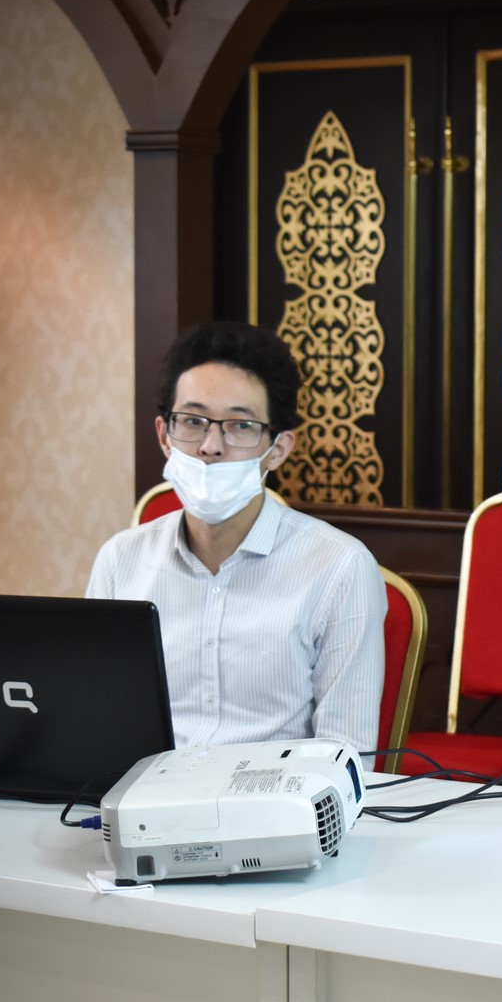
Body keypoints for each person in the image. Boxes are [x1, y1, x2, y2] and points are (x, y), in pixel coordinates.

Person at [88, 321, 385, 752]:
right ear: (164, 436)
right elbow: (98, 718)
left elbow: (346, 753)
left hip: (272, 792)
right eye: (193, 421)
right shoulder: (120, 560)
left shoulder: (339, 568)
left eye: (240, 426)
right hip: (146, 789)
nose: (211, 445)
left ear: (278, 449)